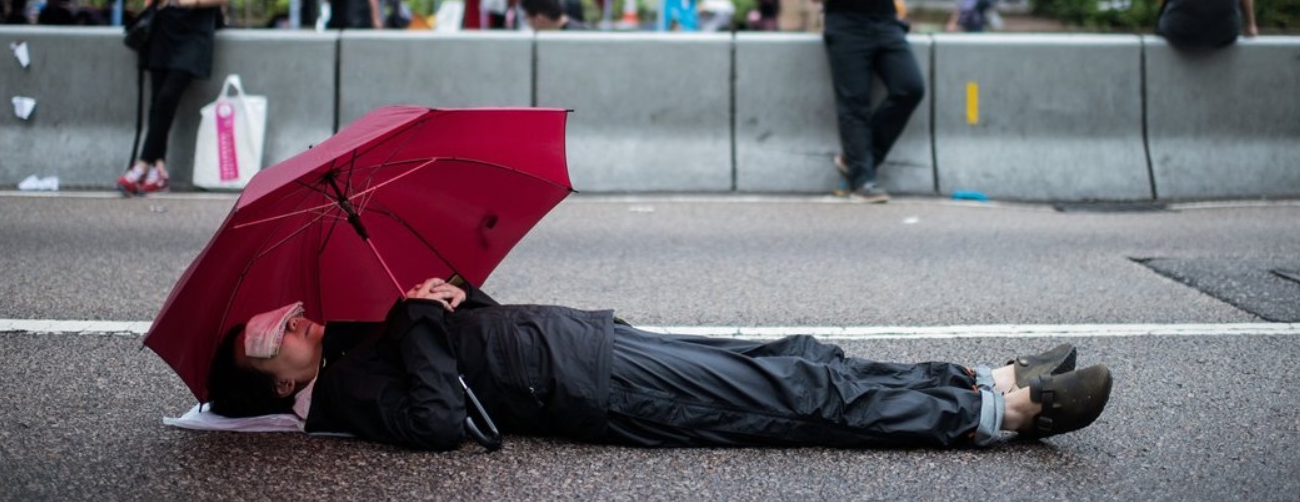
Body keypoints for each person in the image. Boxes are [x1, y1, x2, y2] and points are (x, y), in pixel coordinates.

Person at [207, 280, 1113, 451]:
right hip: (596, 386)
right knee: (792, 396)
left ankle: (972, 380)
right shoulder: (352, 397)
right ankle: (1005, 415)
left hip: (594, 344)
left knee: (796, 357)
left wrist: (453, 296)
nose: (288, 319)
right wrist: (418, 319)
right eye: (272, 334)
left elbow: (459, 348)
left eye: (280, 312)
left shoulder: (362, 335)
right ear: (283, 383)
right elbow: (446, 421)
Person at [807, 0, 925, 204]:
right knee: (853, 103)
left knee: (910, 87)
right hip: (844, 26)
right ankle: (864, 180)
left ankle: (859, 159)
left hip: (885, 23)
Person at [116, 0, 228, 196]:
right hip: (164, 31)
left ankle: (141, 164)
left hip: (194, 34)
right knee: (157, 104)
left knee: (167, 99)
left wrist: (187, 0)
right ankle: (159, 171)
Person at [520, 0, 590, 30]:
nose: (528, 24)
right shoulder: (581, 32)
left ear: (540, 18)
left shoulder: (575, 38)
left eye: (526, 17)